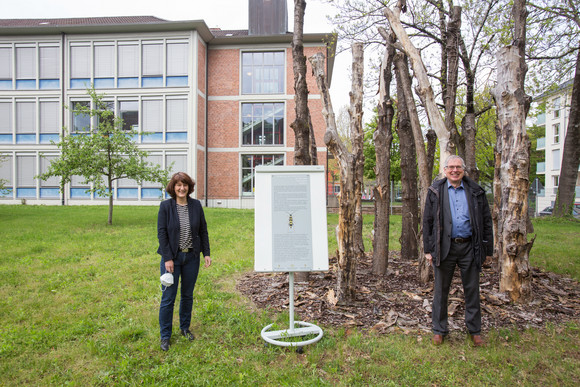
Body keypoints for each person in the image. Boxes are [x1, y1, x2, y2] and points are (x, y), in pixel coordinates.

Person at [423, 155, 493, 347]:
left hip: (470, 247)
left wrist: (487, 249)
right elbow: (428, 221)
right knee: (440, 291)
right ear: (445, 170)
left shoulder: (476, 191)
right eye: (451, 167)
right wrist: (428, 249)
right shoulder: (435, 190)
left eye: (458, 167)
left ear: (463, 170)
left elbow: (486, 221)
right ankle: (439, 330)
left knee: (472, 290)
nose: (455, 170)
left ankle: (475, 331)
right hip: (444, 247)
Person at [157, 172, 211, 351]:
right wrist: (168, 258)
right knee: (168, 298)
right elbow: (162, 234)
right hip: (172, 259)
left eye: (185, 185)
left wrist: (206, 253)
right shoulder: (165, 207)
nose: (182, 188)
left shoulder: (196, 205)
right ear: (173, 187)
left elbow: (203, 230)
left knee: (187, 295)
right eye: (178, 185)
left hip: (191, 258)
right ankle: (165, 336)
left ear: (189, 187)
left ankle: (184, 328)